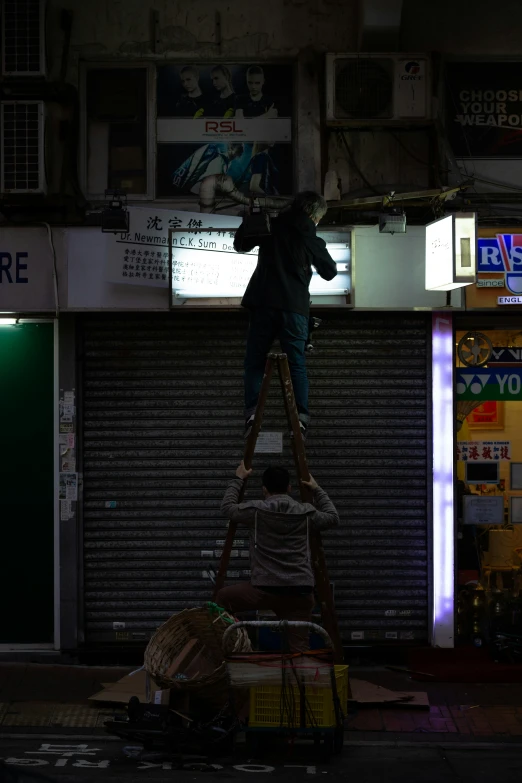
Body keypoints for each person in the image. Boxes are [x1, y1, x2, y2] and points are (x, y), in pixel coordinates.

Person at [234, 191, 337, 439]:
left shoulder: (270, 225)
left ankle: (251, 415)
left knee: (254, 362)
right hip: (294, 309)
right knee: (296, 365)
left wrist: (248, 219)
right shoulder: (309, 234)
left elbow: (240, 245)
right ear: (314, 215)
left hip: (263, 304)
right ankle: (300, 420)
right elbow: (330, 272)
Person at [216, 461, 340, 652]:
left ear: (264, 489)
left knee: (222, 599)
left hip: (263, 590)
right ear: (289, 488)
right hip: (300, 591)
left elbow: (227, 507)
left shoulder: (256, 511)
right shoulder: (306, 512)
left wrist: (238, 479)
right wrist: (316, 488)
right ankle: (301, 677)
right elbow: (333, 517)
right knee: (299, 649)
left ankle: (233, 648)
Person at [172, 142, 244, 194]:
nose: (242, 151)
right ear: (231, 148)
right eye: (240, 148)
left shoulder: (226, 162)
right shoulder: (220, 160)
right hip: (198, 192)